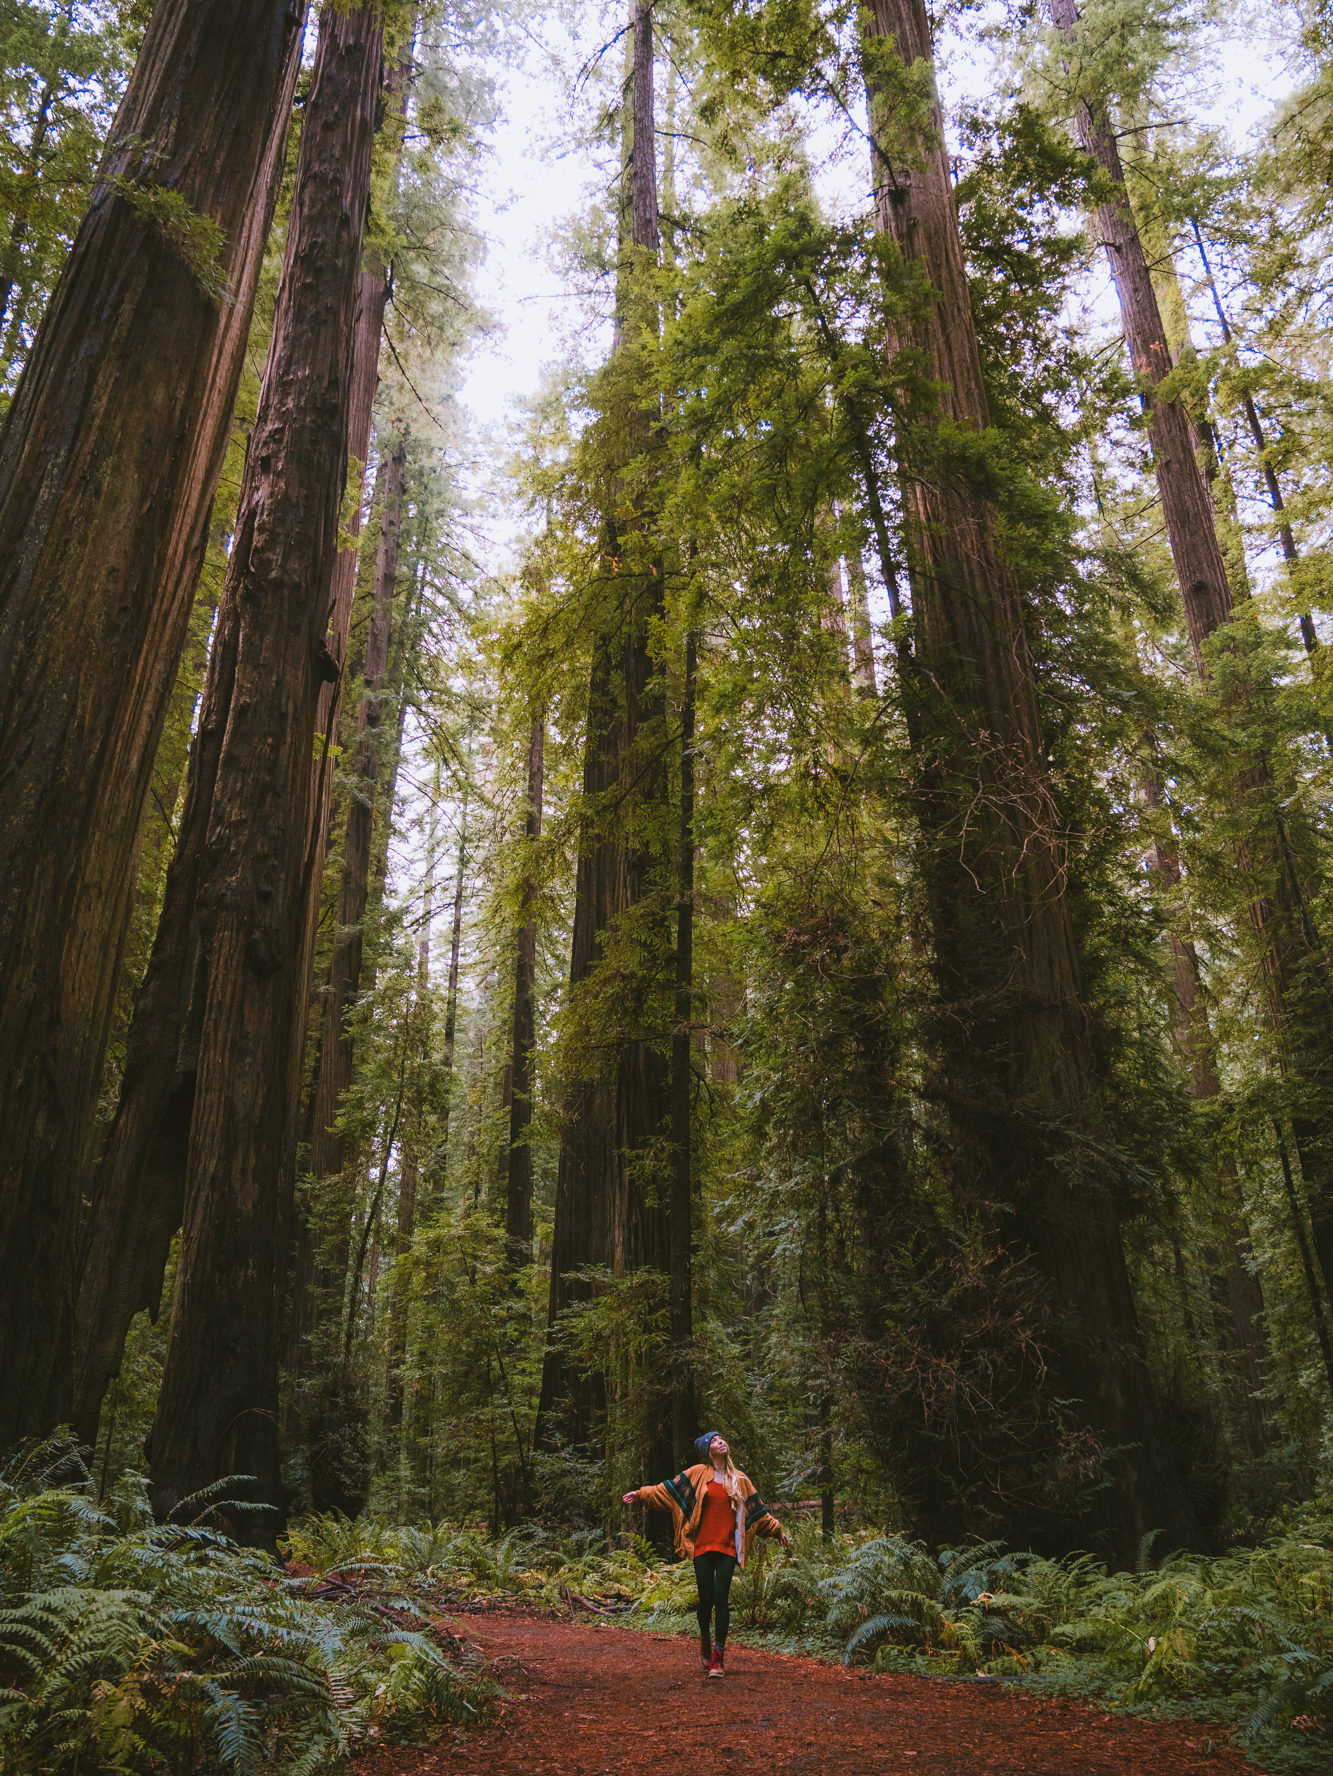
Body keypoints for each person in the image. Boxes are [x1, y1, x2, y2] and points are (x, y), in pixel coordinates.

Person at [624, 1431, 789, 1678]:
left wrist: (777, 1530)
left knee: (722, 1598)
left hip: (727, 1548)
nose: (721, 1442)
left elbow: (757, 1512)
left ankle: (718, 1656)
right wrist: (641, 1494)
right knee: (705, 1600)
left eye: (722, 1439)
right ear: (707, 1450)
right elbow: (667, 1490)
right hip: (702, 1546)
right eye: (714, 1440)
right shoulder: (698, 1474)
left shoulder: (740, 1480)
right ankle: (705, 1638)